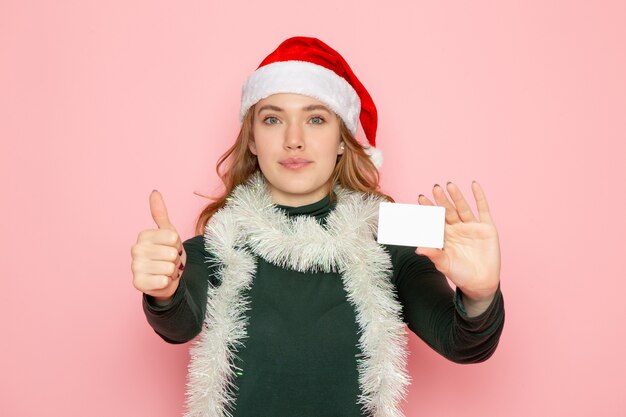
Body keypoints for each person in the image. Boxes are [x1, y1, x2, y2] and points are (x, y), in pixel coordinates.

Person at [130, 37, 505, 417]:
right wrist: (163, 290)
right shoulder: (218, 244)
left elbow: (462, 343)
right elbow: (179, 325)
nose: (294, 141)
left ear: (342, 140)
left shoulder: (391, 240)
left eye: (316, 119)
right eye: (273, 119)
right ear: (254, 141)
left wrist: (479, 294)